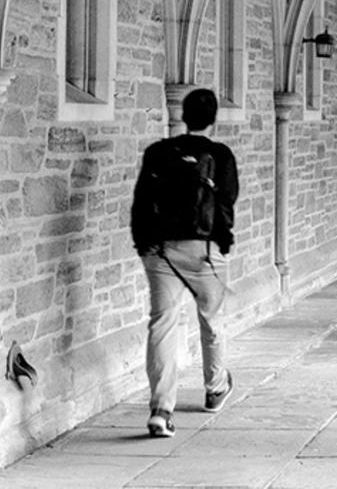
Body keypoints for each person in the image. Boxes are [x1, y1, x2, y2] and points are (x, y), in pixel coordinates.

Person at [131, 88, 238, 437]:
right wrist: (222, 240)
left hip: (161, 252)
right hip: (204, 250)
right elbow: (226, 202)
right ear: (213, 118)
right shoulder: (219, 155)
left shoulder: (159, 152)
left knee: (162, 323)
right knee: (212, 319)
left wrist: (144, 245)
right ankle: (215, 387)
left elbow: (141, 201)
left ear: (182, 114)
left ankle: (161, 409)